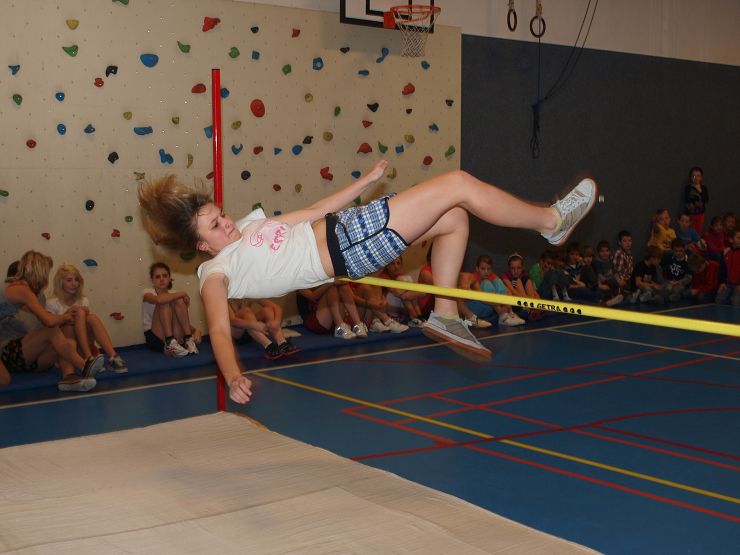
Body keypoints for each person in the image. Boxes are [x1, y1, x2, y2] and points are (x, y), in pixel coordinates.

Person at [138, 160, 596, 404]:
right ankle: (552, 222)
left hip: (348, 226)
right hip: (349, 247)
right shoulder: (215, 273)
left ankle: (444, 314)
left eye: (221, 214)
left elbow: (313, 212)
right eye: (215, 226)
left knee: (455, 218)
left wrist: (365, 182)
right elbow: (220, 331)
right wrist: (233, 374)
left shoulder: (248, 227)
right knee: (458, 183)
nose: (226, 223)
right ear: (201, 245)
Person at [1, 251, 103, 391]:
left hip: (29, 355)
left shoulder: (38, 296)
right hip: (8, 352)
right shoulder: (19, 289)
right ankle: (85, 365)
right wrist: (65, 317)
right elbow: (49, 322)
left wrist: (65, 317)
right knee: (52, 331)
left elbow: (45, 321)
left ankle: (69, 377)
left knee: (65, 330)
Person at [47, 264, 128, 373]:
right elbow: (50, 332)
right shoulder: (52, 303)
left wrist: (82, 315)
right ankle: (89, 358)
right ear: (60, 282)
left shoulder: (83, 300)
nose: (74, 283)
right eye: (69, 280)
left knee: (91, 317)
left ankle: (113, 357)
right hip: (66, 350)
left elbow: (88, 327)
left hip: (82, 346)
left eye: (76, 280)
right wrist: (66, 316)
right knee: (79, 313)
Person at [142, 262, 201, 357]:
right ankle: (170, 343)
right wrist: (183, 293)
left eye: (165, 276)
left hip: (175, 335)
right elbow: (159, 300)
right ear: (152, 280)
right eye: (157, 277)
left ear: (169, 278)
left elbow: (178, 319)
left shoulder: (174, 294)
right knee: (164, 301)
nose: (162, 279)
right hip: (155, 336)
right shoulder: (148, 292)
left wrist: (196, 330)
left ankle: (188, 339)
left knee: (177, 300)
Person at [459, 255, 524, 327]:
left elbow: (508, 291)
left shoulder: (492, 276)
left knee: (498, 282)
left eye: (489, 269)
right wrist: (501, 303)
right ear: (477, 269)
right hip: (476, 307)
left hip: (489, 307)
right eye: (483, 269)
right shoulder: (472, 276)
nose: (486, 272)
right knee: (486, 283)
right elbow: (481, 297)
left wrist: (507, 306)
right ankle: (503, 315)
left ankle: (509, 313)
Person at [228, 298, 299, 359]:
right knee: (245, 311)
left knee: (267, 310)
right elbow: (232, 321)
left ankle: (282, 343)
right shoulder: (227, 297)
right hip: (237, 336)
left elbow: (276, 307)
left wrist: (277, 321)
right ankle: (268, 345)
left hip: (252, 332)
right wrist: (254, 325)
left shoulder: (248, 293)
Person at [297, 283, 367, 339]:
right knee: (331, 287)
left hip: (334, 319)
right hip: (317, 321)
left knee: (344, 286)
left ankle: (357, 324)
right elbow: (313, 297)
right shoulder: (299, 281)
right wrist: (330, 283)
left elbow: (352, 296)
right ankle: (339, 326)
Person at [378, 256, 426, 326]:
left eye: (398, 263)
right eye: (392, 264)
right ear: (387, 265)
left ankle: (419, 316)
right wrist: (412, 292)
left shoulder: (400, 275)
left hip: (400, 303)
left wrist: (410, 293)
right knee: (404, 281)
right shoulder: (383, 276)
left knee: (406, 279)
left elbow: (422, 293)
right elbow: (397, 292)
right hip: (388, 307)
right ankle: (413, 317)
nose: (396, 266)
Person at [501, 253, 544, 320]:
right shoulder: (505, 276)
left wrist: (540, 303)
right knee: (518, 281)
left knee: (528, 280)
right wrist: (527, 300)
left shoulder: (524, 276)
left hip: (526, 301)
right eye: (513, 268)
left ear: (522, 267)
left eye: (518, 268)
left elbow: (534, 292)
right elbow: (513, 292)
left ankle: (534, 308)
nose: (516, 271)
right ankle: (529, 308)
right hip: (515, 302)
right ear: (509, 268)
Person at [591, 241, 624, 306]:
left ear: (610, 252)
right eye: (602, 251)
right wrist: (601, 285)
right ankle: (614, 298)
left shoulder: (610, 262)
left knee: (621, 284)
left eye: (607, 251)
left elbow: (615, 274)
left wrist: (620, 281)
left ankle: (613, 299)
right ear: (598, 253)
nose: (605, 253)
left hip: (611, 283)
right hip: (604, 283)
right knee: (612, 283)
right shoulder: (597, 263)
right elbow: (600, 278)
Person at [715, 229, 740, 307]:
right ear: (731, 240)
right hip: (728, 284)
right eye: (738, 238)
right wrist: (722, 283)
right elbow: (722, 269)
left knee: (735, 302)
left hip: (738, 285)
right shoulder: (726, 252)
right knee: (719, 300)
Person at [684, 166, 708, 234]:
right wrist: (696, 198)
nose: (696, 178)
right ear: (691, 177)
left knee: (698, 231)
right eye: (694, 176)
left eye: (698, 176)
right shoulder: (688, 188)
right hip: (690, 214)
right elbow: (687, 199)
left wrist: (700, 191)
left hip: (700, 213)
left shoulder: (703, 188)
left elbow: (706, 199)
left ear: (701, 177)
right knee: (690, 231)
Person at [613, 230, 635, 296]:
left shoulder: (630, 254)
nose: (628, 243)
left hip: (628, 279)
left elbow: (630, 270)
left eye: (630, 241)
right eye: (624, 241)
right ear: (620, 243)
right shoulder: (619, 253)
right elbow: (614, 270)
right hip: (621, 280)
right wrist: (619, 280)